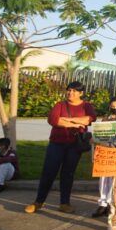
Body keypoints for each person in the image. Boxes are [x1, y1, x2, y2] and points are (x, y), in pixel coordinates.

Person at [26, 81, 96, 214]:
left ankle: (64, 203)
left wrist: (67, 120)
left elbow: (90, 119)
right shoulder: (60, 105)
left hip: (75, 145)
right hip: (56, 144)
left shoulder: (87, 106)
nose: (70, 93)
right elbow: (53, 120)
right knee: (49, 172)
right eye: (69, 90)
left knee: (68, 174)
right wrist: (76, 123)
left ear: (81, 93)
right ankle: (38, 202)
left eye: (74, 91)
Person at [92, 95, 116, 218]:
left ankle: (111, 202)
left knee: (113, 178)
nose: (115, 108)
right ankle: (102, 203)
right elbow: (99, 134)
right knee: (103, 178)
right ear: (110, 106)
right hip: (104, 150)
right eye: (113, 106)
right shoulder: (105, 118)